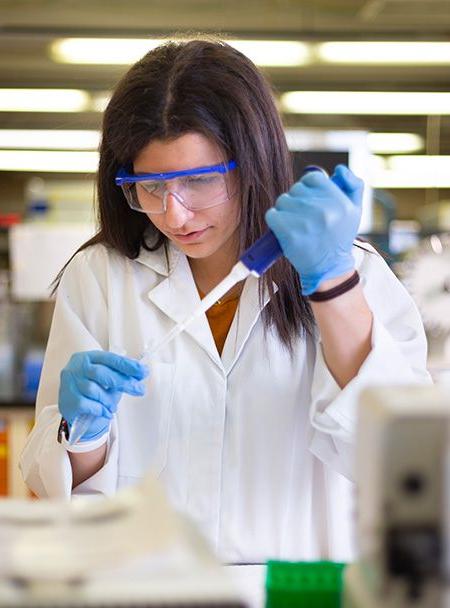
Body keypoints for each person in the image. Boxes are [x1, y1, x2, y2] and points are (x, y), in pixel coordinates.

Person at [20, 38, 430, 565]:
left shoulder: (355, 273)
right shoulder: (102, 277)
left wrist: (331, 284)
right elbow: (55, 488)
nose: (175, 215)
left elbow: (403, 464)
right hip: (146, 599)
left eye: (199, 179)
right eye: (149, 186)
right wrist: (81, 434)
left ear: (254, 161)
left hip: (298, 603)